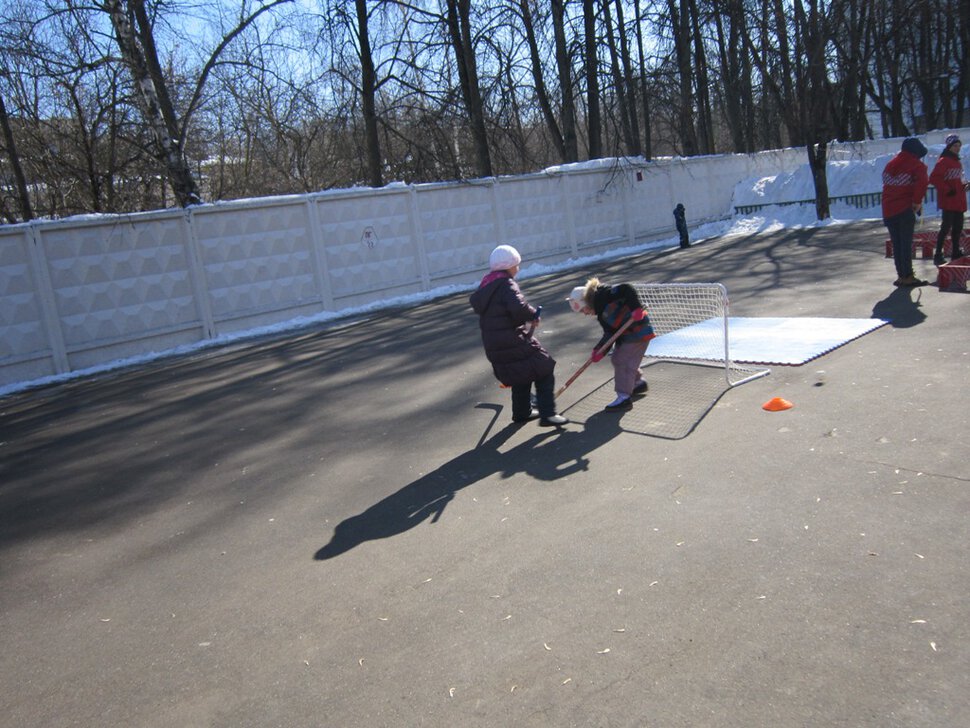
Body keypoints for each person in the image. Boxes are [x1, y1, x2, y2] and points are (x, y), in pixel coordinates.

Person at [469, 245, 568, 427]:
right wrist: (533, 315)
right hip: (511, 340)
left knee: (520, 372)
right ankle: (548, 414)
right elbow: (518, 306)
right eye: (516, 265)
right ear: (508, 266)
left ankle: (522, 412)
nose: (518, 269)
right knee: (544, 366)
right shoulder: (506, 284)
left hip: (494, 344)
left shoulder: (487, 285)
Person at [567, 278, 655, 411]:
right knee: (617, 359)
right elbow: (609, 333)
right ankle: (638, 383)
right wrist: (599, 350)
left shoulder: (605, 294)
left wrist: (636, 308)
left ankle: (623, 398)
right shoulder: (601, 313)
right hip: (626, 335)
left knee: (622, 361)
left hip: (638, 332)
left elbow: (627, 288)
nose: (584, 314)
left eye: (583, 310)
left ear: (586, 302)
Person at [882, 137, 930, 287]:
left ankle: (901, 276)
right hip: (904, 209)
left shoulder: (891, 164)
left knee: (897, 244)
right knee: (906, 244)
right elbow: (922, 183)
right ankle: (908, 276)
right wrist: (917, 202)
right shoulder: (917, 165)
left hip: (888, 210)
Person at [929, 133, 969, 265]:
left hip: (958, 200)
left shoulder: (957, 162)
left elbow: (960, 179)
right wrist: (947, 190)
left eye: (959, 145)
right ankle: (938, 253)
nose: (957, 148)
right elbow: (934, 178)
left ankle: (955, 251)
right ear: (949, 147)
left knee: (957, 228)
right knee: (946, 228)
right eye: (955, 146)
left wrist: (965, 186)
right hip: (949, 201)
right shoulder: (944, 161)